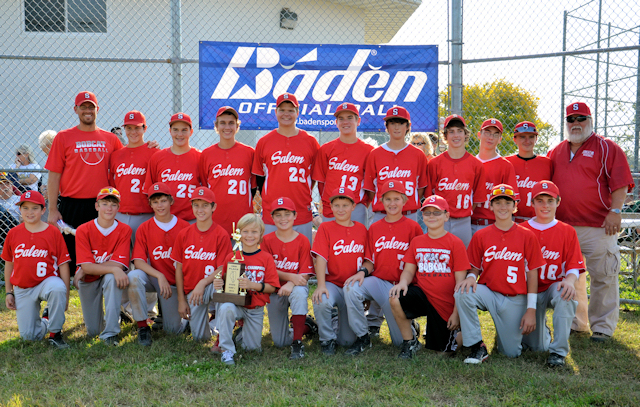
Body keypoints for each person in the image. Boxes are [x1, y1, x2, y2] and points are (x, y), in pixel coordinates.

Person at [548, 102, 634, 342]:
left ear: (590, 120)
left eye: (581, 118)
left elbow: (620, 183)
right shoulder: (556, 151)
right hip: (565, 226)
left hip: (599, 225)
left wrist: (615, 211)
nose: (576, 124)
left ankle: (603, 328)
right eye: (571, 119)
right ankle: (578, 323)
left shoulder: (607, 147)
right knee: (571, 277)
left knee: (603, 276)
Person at [454, 184, 545, 363]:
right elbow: (474, 266)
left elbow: (532, 274)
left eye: (507, 202)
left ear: (515, 206)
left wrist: (531, 309)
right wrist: (471, 277)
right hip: (490, 293)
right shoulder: (481, 235)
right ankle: (477, 347)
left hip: (515, 297)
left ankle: (512, 335)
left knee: (510, 353)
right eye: (498, 202)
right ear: (491, 206)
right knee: (462, 291)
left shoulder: (527, 235)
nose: (502, 207)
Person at [45, 91, 124, 275]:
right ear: (76, 109)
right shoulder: (63, 137)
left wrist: (149, 147)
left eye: (91, 107)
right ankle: (66, 295)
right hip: (71, 204)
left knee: (100, 254)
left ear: (98, 110)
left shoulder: (111, 139)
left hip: (101, 205)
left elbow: (127, 162)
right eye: (83, 107)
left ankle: (99, 293)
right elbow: (54, 175)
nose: (87, 111)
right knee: (70, 258)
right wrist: (52, 209)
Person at [343, 180, 423, 354]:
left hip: (400, 287)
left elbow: (417, 263)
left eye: (396, 199)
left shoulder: (413, 227)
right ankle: (363, 337)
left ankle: (410, 326)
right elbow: (370, 260)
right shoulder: (374, 228)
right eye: (387, 199)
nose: (392, 203)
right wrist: (362, 272)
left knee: (398, 341)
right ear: (381, 201)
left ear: (404, 201)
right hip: (379, 282)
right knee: (351, 287)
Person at [389, 195, 470, 358]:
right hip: (423, 295)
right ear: (422, 216)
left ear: (446, 216)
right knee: (395, 297)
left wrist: (456, 313)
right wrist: (403, 282)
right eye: (427, 213)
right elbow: (409, 270)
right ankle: (409, 341)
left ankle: (466, 334)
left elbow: (460, 283)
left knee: (442, 353)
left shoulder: (455, 243)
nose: (431, 216)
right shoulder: (417, 242)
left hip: (445, 303)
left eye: (437, 213)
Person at [520, 181, 585, 367]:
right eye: (540, 200)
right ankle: (542, 333)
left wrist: (570, 281)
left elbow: (574, 266)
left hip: (551, 287)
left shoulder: (567, 231)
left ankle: (558, 352)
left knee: (566, 295)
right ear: (532, 203)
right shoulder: (521, 229)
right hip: (525, 291)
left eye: (550, 200)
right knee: (535, 346)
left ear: (558, 202)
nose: (545, 205)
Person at [2, 191, 71, 348]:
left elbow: (63, 264)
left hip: (46, 282)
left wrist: (66, 295)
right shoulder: (13, 233)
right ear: (20, 210)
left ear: (43, 210)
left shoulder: (53, 232)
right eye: (25, 208)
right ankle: (47, 320)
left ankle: (55, 334)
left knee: (57, 287)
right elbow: (9, 264)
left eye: (34, 208)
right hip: (23, 287)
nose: (30, 212)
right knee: (29, 337)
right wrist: (8, 292)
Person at [127, 182, 191, 344]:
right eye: (155, 202)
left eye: (163, 200)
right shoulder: (144, 227)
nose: (159, 205)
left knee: (173, 331)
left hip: (176, 284)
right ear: (150, 204)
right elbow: (139, 261)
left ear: (171, 201)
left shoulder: (184, 227)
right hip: (154, 278)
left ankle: (184, 319)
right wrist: (159, 275)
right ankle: (142, 326)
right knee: (134, 276)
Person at [252, 93, 320, 242]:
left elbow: (313, 177)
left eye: (291, 110)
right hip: (272, 213)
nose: (286, 114)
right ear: (275, 112)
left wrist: (303, 192)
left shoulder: (310, 141)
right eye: (282, 110)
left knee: (302, 258)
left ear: (298, 112)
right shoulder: (264, 142)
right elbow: (260, 177)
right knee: (271, 259)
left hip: (301, 210)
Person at [214, 214, 280, 365]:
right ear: (238, 233)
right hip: (236, 305)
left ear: (261, 235)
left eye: (254, 232)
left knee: (252, 349)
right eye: (245, 231)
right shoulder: (232, 256)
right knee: (226, 308)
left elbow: (272, 287)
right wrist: (219, 284)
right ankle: (227, 350)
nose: (249, 235)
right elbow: (226, 282)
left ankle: (240, 334)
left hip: (254, 308)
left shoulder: (266, 258)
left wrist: (252, 285)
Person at [172, 187, 232, 341]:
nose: (200, 209)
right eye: (196, 205)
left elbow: (222, 268)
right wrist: (181, 300)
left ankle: (222, 334)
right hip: (193, 292)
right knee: (200, 338)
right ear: (191, 207)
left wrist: (203, 282)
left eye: (205, 205)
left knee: (221, 287)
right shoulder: (184, 234)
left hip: (211, 285)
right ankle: (208, 328)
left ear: (213, 207)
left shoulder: (221, 234)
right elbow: (178, 268)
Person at [311, 188, 367, 355]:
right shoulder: (325, 228)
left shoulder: (362, 229)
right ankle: (326, 339)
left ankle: (336, 322)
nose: (341, 209)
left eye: (345, 205)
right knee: (321, 299)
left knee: (347, 341)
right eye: (336, 205)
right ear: (330, 207)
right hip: (333, 284)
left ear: (353, 206)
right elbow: (320, 258)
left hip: (352, 287)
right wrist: (321, 285)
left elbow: (368, 260)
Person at [74, 187, 132, 345]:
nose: (109, 208)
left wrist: (90, 267)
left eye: (113, 204)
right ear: (97, 206)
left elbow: (118, 265)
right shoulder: (83, 229)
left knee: (113, 278)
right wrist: (86, 268)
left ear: (118, 208)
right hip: (89, 278)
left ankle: (111, 332)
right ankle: (116, 314)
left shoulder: (124, 229)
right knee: (93, 331)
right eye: (105, 203)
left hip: (104, 275)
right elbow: (87, 267)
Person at [262, 197, 316, 359]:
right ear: (272, 218)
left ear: (294, 216)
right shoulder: (266, 240)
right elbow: (266, 270)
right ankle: (307, 326)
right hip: (275, 290)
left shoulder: (303, 240)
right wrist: (291, 276)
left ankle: (298, 342)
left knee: (299, 292)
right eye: (278, 215)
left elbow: (305, 273)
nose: (283, 218)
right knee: (279, 341)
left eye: (287, 214)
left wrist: (291, 283)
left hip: (294, 287)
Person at [427, 114, 487, 247]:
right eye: (451, 131)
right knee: (438, 259)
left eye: (460, 131)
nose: (456, 135)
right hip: (439, 219)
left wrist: (463, 213)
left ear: (465, 134)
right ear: (445, 136)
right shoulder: (434, 163)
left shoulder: (476, 165)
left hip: (464, 221)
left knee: (463, 261)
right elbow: (428, 196)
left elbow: (477, 199)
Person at [312, 102, 374, 226]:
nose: (345, 122)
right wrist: (326, 203)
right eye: (341, 119)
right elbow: (321, 182)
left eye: (350, 118)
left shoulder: (368, 151)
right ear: (336, 122)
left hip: (356, 206)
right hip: (332, 207)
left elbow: (370, 184)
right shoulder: (326, 149)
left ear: (358, 121)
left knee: (356, 243)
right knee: (331, 243)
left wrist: (364, 204)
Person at [364, 106, 428, 225]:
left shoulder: (418, 154)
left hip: (409, 213)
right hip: (382, 214)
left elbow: (421, 187)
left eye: (401, 123)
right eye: (392, 123)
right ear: (387, 127)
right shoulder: (375, 154)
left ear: (408, 126)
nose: (397, 127)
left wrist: (407, 203)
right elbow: (371, 189)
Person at [199, 106, 255, 236]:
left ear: (237, 126)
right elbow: (204, 185)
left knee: (241, 256)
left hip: (243, 221)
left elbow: (254, 186)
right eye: (222, 123)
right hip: (215, 221)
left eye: (231, 123)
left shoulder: (249, 153)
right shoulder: (206, 154)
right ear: (216, 126)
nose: (227, 127)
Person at [109, 111, 158, 240]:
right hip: (120, 214)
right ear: (124, 129)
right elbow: (112, 185)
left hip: (145, 214)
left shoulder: (154, 153)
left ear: (145, 128)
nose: (133, 132)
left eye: (137, 128)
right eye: (129, 128)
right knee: (121, 258)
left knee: (144, 257)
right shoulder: (115, 155)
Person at [145, 113, 202, 223]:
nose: (180, 134)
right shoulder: (157, 157)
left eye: (184, 130)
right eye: (175, 130)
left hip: (192, 219)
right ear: (170, 131)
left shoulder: (200, 157)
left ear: (191, 132)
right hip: (164, 220)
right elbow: (149, 190)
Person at [470, 119, 519, 234]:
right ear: (479, 135)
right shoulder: (469, 163)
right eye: (487, 133)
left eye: (495, 134)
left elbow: (512, 200)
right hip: (467, 222)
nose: (491, 137)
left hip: (493, 224)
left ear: (500, 139)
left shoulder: (505, 166)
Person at [506, 121, 553, 223]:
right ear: (515, 139)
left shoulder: (547, 163)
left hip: (539, 219)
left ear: (536, 139)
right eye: (522, 137)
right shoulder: (506, 162)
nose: (527, 141)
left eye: (531, 137)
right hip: (511, 220)